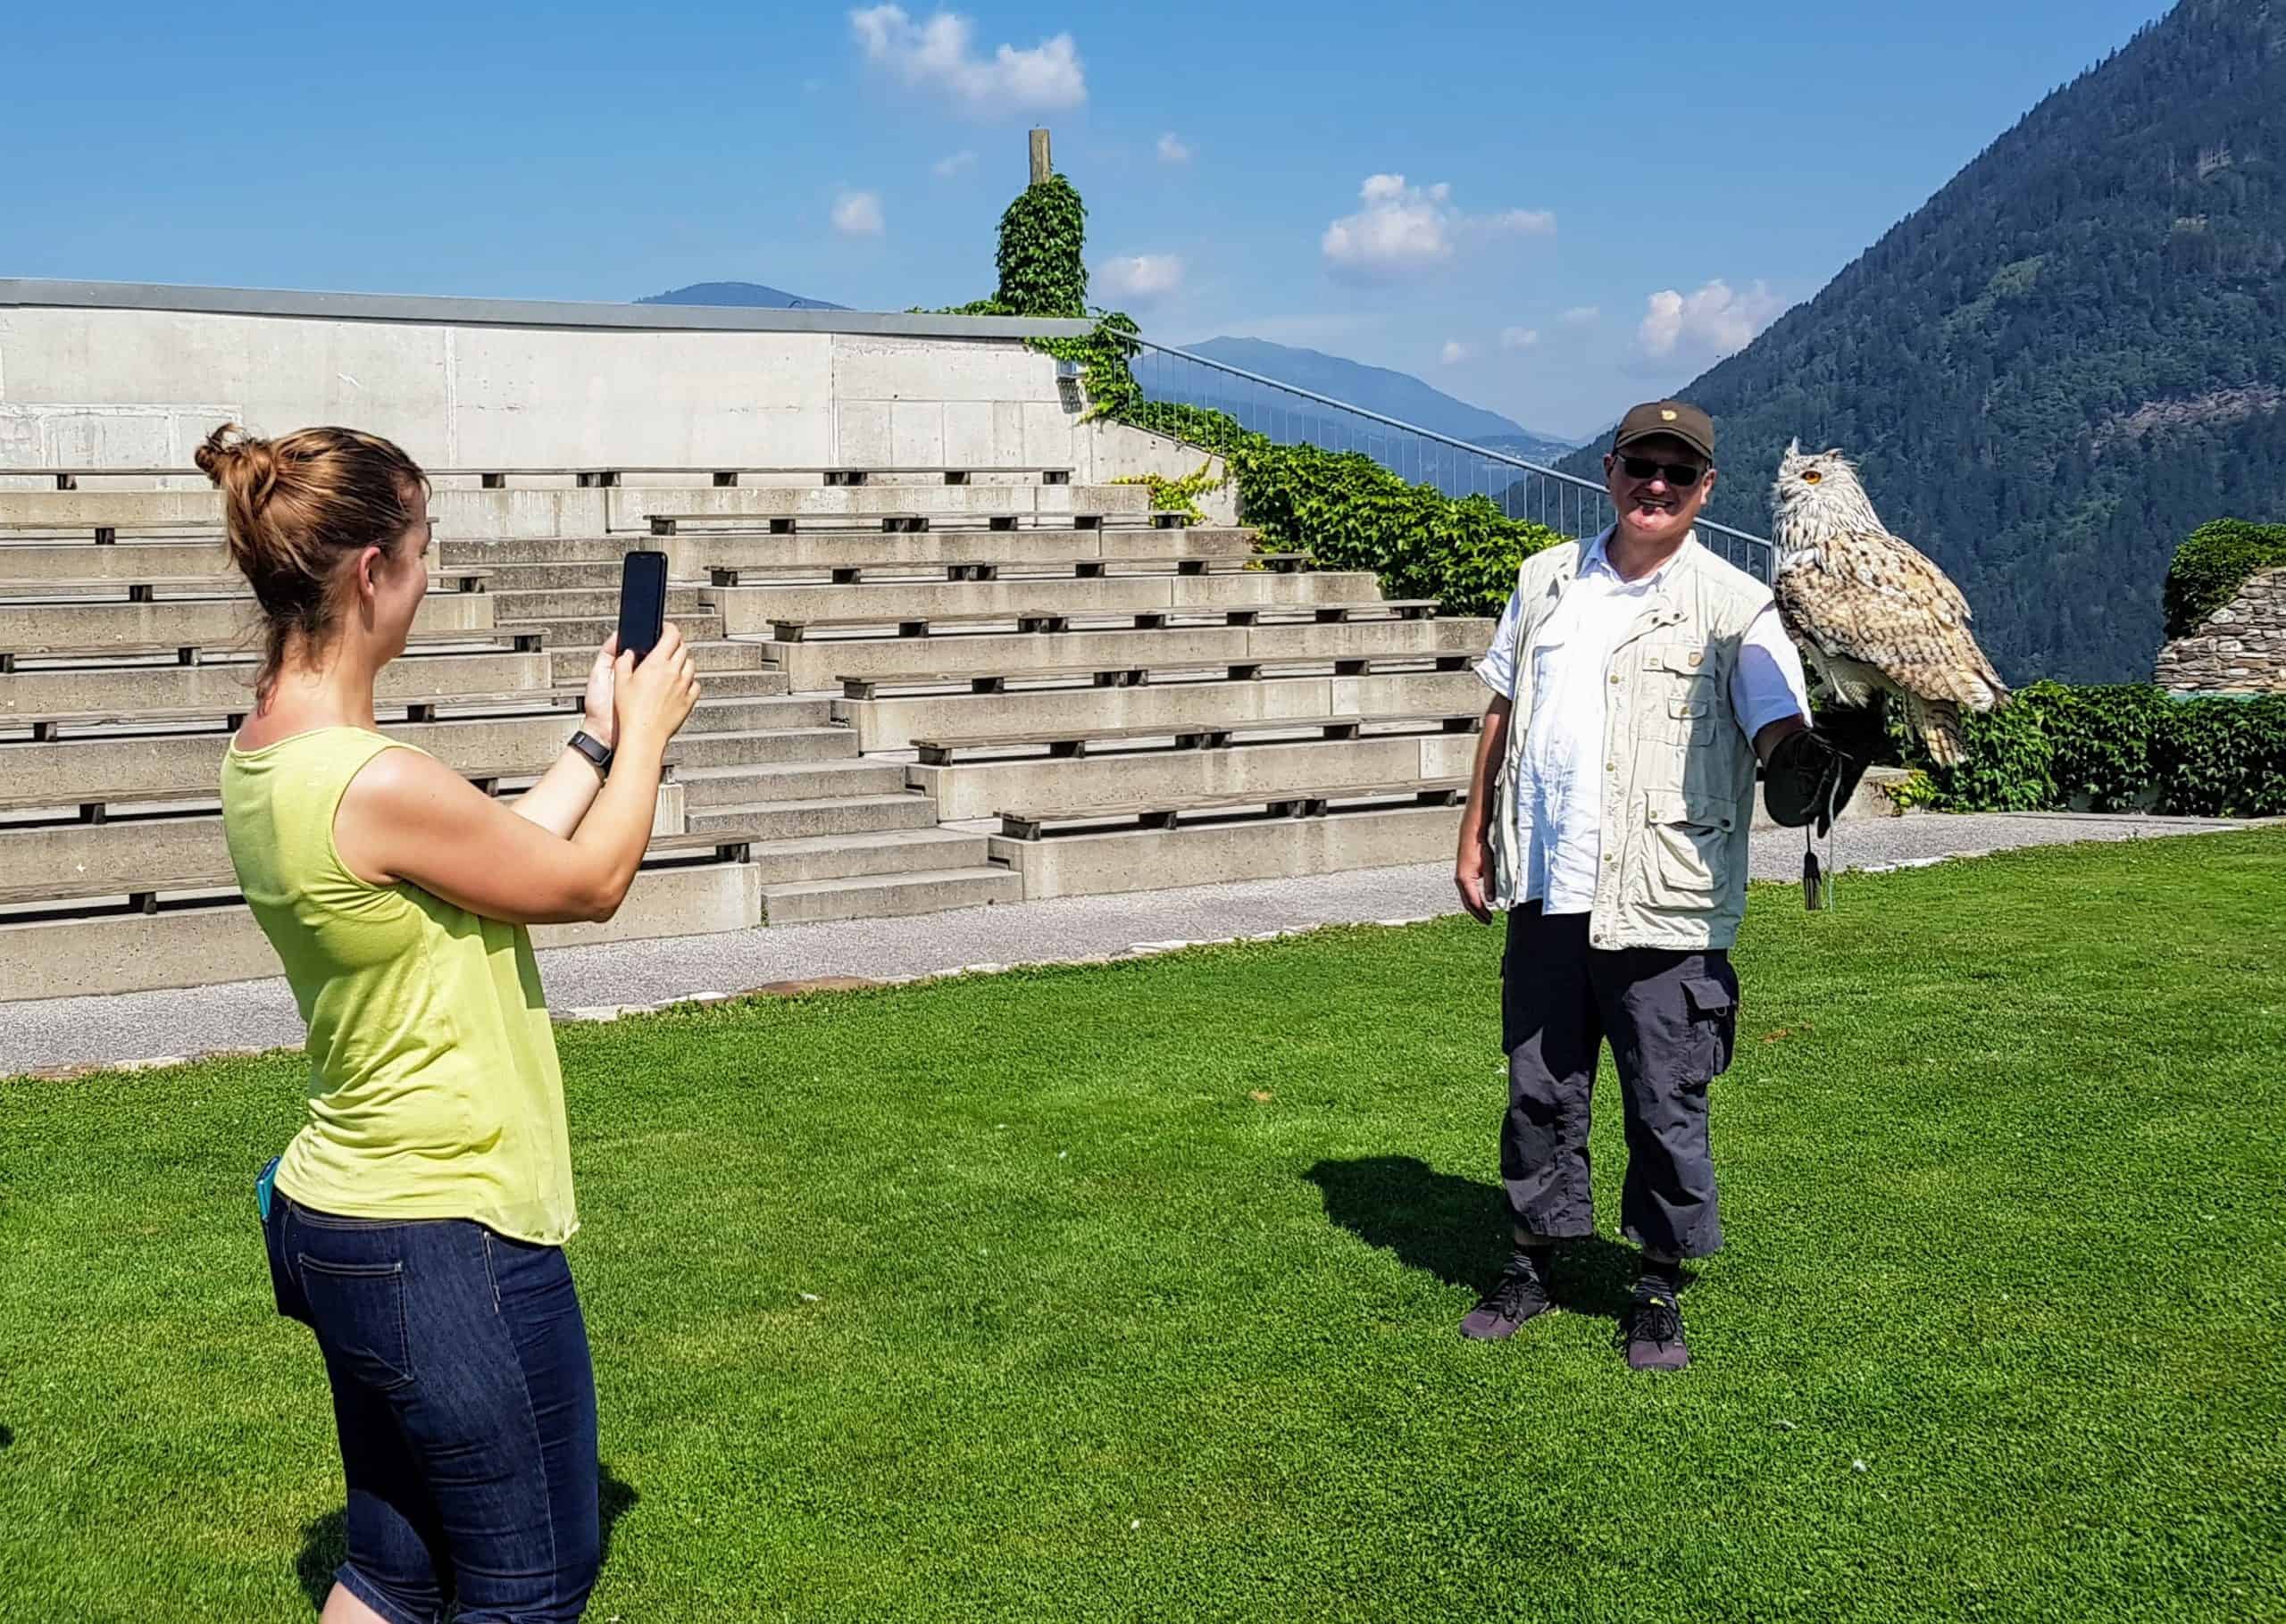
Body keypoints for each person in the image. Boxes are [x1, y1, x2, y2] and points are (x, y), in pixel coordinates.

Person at [206, 422, 699, 1622]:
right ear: (371, 569)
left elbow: (507, 852)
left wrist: (591, 738)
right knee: (529, 1586)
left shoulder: (267, 755)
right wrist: (648, 737)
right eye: (423, 550)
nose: (429, 578)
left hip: (347, 1215)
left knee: (392, 1565)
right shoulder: (371, 779)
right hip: (446, 1229)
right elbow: (583, 883)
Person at [1449, 400, 1826, 1372]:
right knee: (1538, 1088)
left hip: (1666, 894)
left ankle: (1656, 1282)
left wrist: (1813, 752)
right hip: (1545, 882)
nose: (1654, 485)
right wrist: (1473, 836)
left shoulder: (1737, 607)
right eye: (1639, 465)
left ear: (1705, 489)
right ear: (1610, 470)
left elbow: (1776, 724)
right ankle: (1534, 1258)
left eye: (1677, 471)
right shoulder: (1545, 582)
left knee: (1666, 1096)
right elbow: (1500, 711)